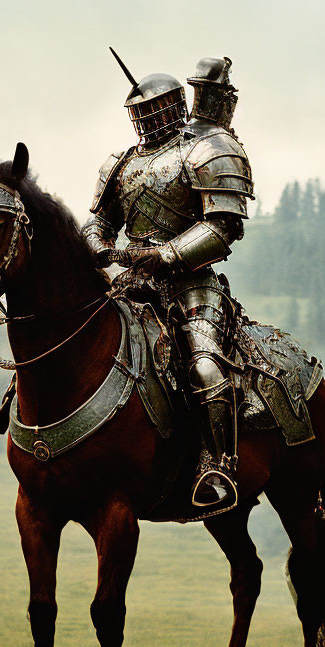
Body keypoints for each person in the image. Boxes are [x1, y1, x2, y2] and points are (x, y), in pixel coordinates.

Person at [81, 53, 254, 508]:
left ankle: (218, 466)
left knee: (204, 364)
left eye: (153, 109)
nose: (145, 118)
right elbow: (98, 221)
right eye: (139, 112)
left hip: (191, 287)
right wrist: (98, 245)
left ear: (176, 105)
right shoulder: (120, 165)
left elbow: (222, 226)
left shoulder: (205, 148)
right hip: (130, 286)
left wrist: (163, 254)